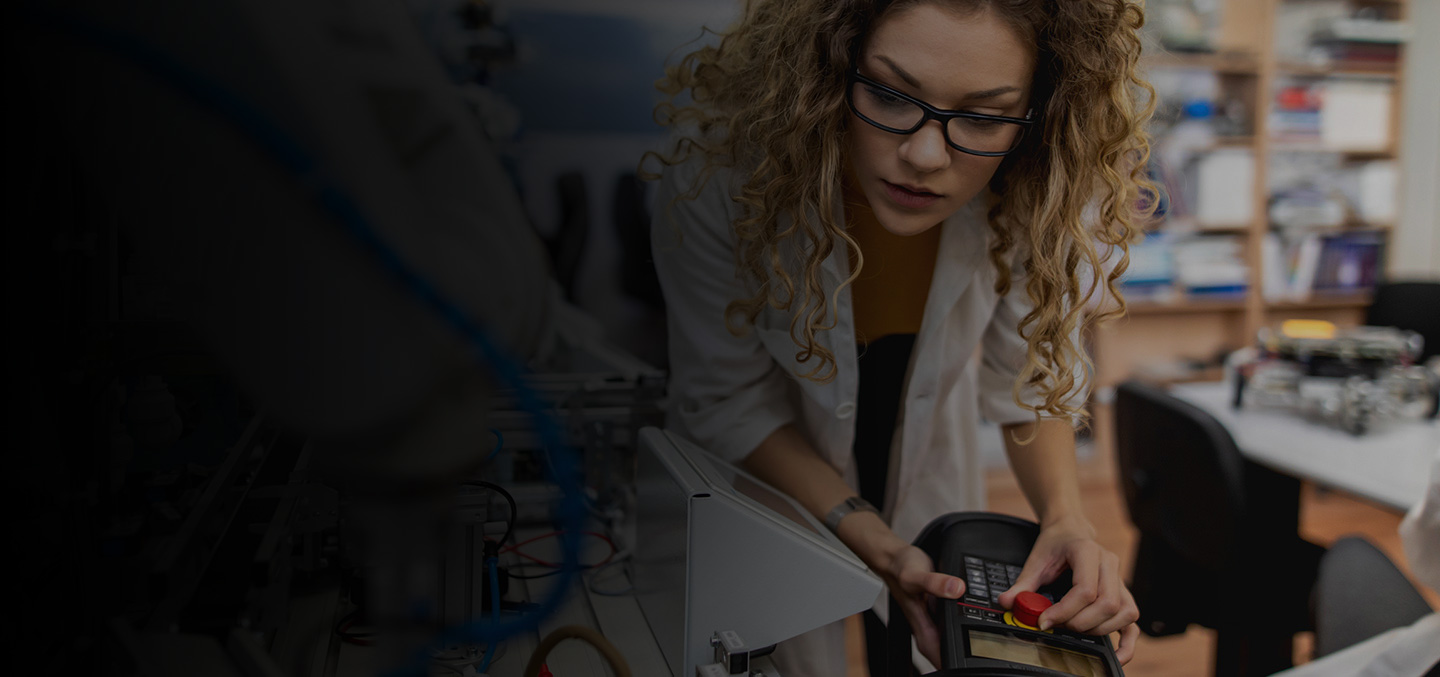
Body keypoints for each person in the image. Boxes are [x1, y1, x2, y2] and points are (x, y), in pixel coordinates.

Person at [646, 0, 1155, 674]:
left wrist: (1067, 518)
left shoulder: (1036, 188)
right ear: (831, 67)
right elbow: (730, 399)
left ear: (1037, 115)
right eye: (889, 94)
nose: (923, 153)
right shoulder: (717, 176)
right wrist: (872, 539)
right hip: (767, 462)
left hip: (919, 443)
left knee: (926, 641)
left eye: (981, 115)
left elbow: (1026, 384)